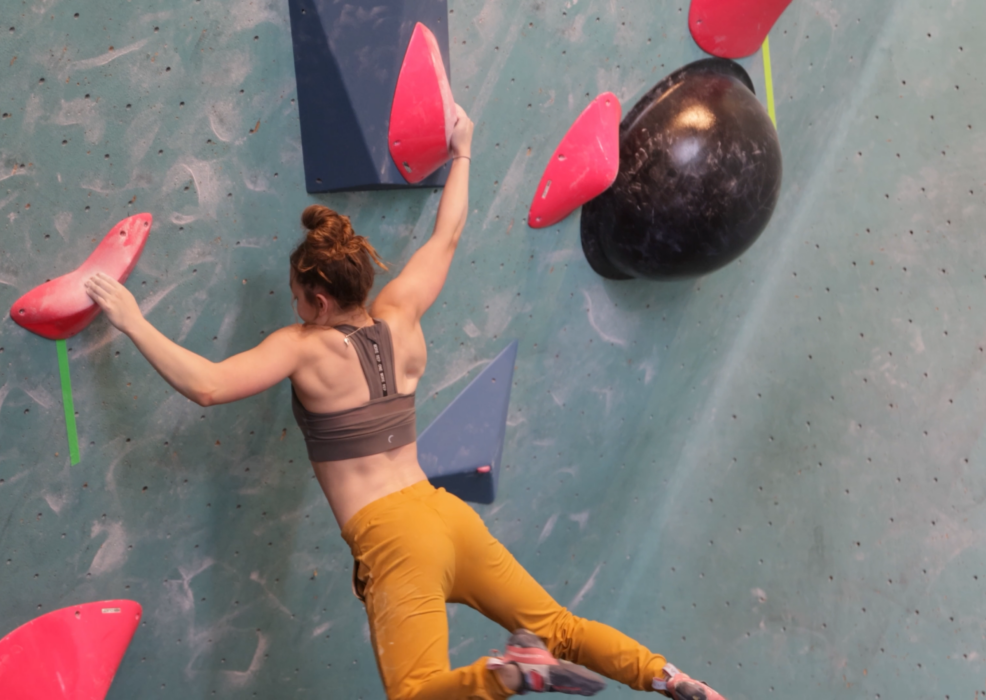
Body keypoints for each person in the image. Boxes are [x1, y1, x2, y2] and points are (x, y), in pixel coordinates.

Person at [84, 105, 726, 700]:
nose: (294, 305)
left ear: (320, 301)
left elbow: (208, 384)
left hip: (394, 539)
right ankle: (669, 678)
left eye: (296, 294)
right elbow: (446, 237)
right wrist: (464, 152)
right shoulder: (402, 314)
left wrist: (133, 319)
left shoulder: (305, 348)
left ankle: (508, 675)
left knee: (417, 691)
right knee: (558, 624)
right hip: (447, 519)